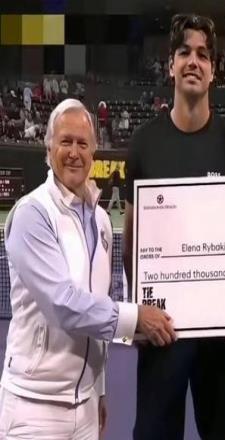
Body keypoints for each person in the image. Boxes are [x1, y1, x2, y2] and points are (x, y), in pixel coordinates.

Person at [0, 98, 176, 439]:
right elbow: (63, 304)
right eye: (65, 141)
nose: (74, 152)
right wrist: (136, 318)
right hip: (34, 408)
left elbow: (98, 303)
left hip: (85, 407)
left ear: (93, 153)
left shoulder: (101, 221)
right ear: (49, 148)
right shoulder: (32, 214)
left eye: (82, 144)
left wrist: (99, 389)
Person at [123, 14, 225, 440]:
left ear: (213, 70)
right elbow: (132, 243)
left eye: (203, 54)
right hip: (162, 334)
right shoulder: (144, 143)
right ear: (171, 66)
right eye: (184, 52)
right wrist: (138, 310)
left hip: (218, 339)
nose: (193, 61)